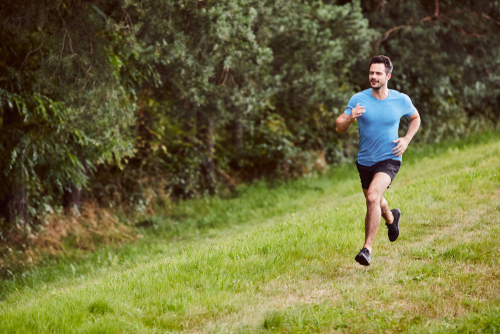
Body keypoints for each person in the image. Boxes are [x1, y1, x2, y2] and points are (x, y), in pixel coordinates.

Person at [335, 55, 421, 266]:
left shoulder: (400, 99)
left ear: (388, 76)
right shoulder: (358, 99)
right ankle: (392, 219)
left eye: (378, 73)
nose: (373, 77)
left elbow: (415, 118)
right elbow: (339, 126)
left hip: (390, 158)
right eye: (371, 72)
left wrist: (407, 139)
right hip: (365, 160)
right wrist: (349, 118)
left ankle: (367, 250)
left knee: (373, 196)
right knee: (376, 199)